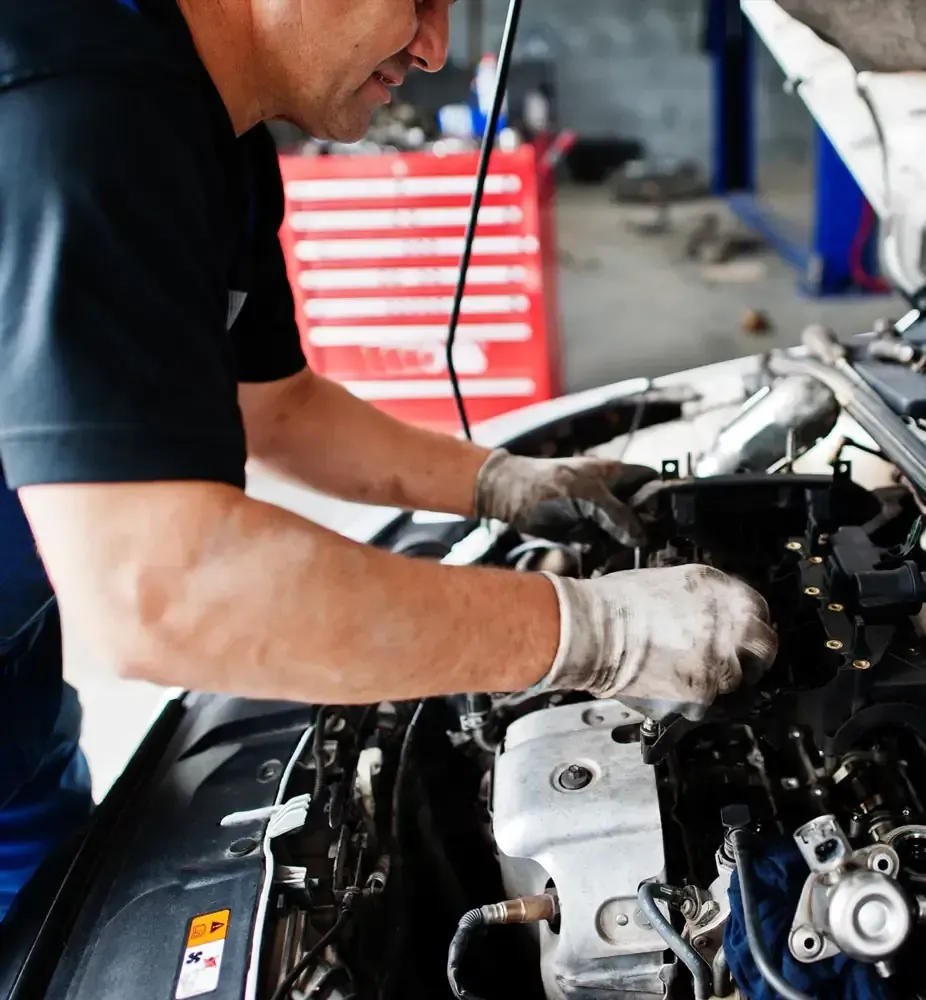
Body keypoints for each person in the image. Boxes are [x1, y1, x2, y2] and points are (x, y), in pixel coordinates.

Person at [0, 0, 777, 919]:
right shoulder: (80, 104)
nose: (435, 45)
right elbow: (157, 592)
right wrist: (598, 634)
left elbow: (276, 409)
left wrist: (505, 485)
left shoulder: (215, 128)